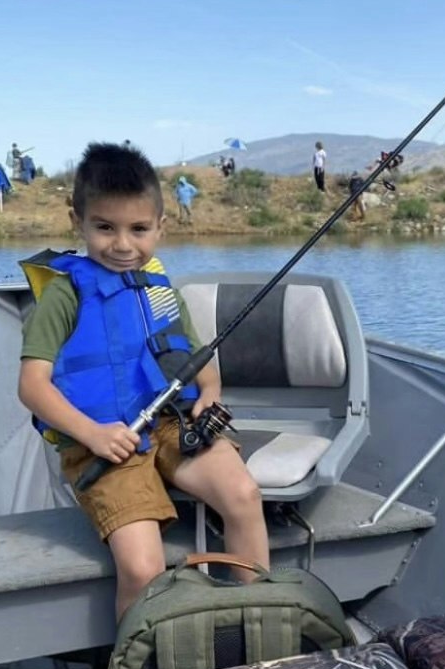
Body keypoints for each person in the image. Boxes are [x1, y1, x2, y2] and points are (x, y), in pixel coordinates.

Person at [18, 141, 270, 619]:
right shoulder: (63, 296)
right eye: (105, 228)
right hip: (101, 442)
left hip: (172, 424)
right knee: (142, 566)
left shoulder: (159, 288)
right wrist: (92, 434)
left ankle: (258, 620)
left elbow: (199, 360)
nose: (123, 245)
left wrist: (210, 395)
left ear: (161, 226)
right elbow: (32, 386)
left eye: (138, 229)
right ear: (78, 221)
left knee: (243, 494)